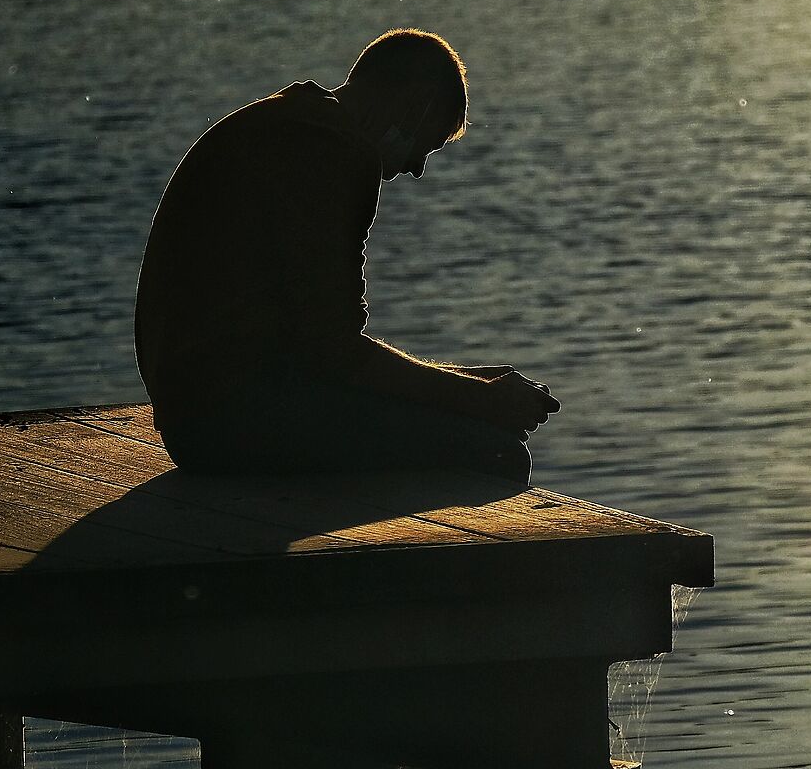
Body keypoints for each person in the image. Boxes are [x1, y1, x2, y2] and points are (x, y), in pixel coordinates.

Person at [135, 29, 557, 484]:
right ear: (413, 105)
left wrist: (470, 382)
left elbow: (319, 344)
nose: (416, 167)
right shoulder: (333, 153)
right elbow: (334, 353)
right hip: (230, 422)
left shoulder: (294, 121)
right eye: (427, 144)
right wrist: (480, 400)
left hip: (206, 406)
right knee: (497, 455)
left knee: (470, 425)